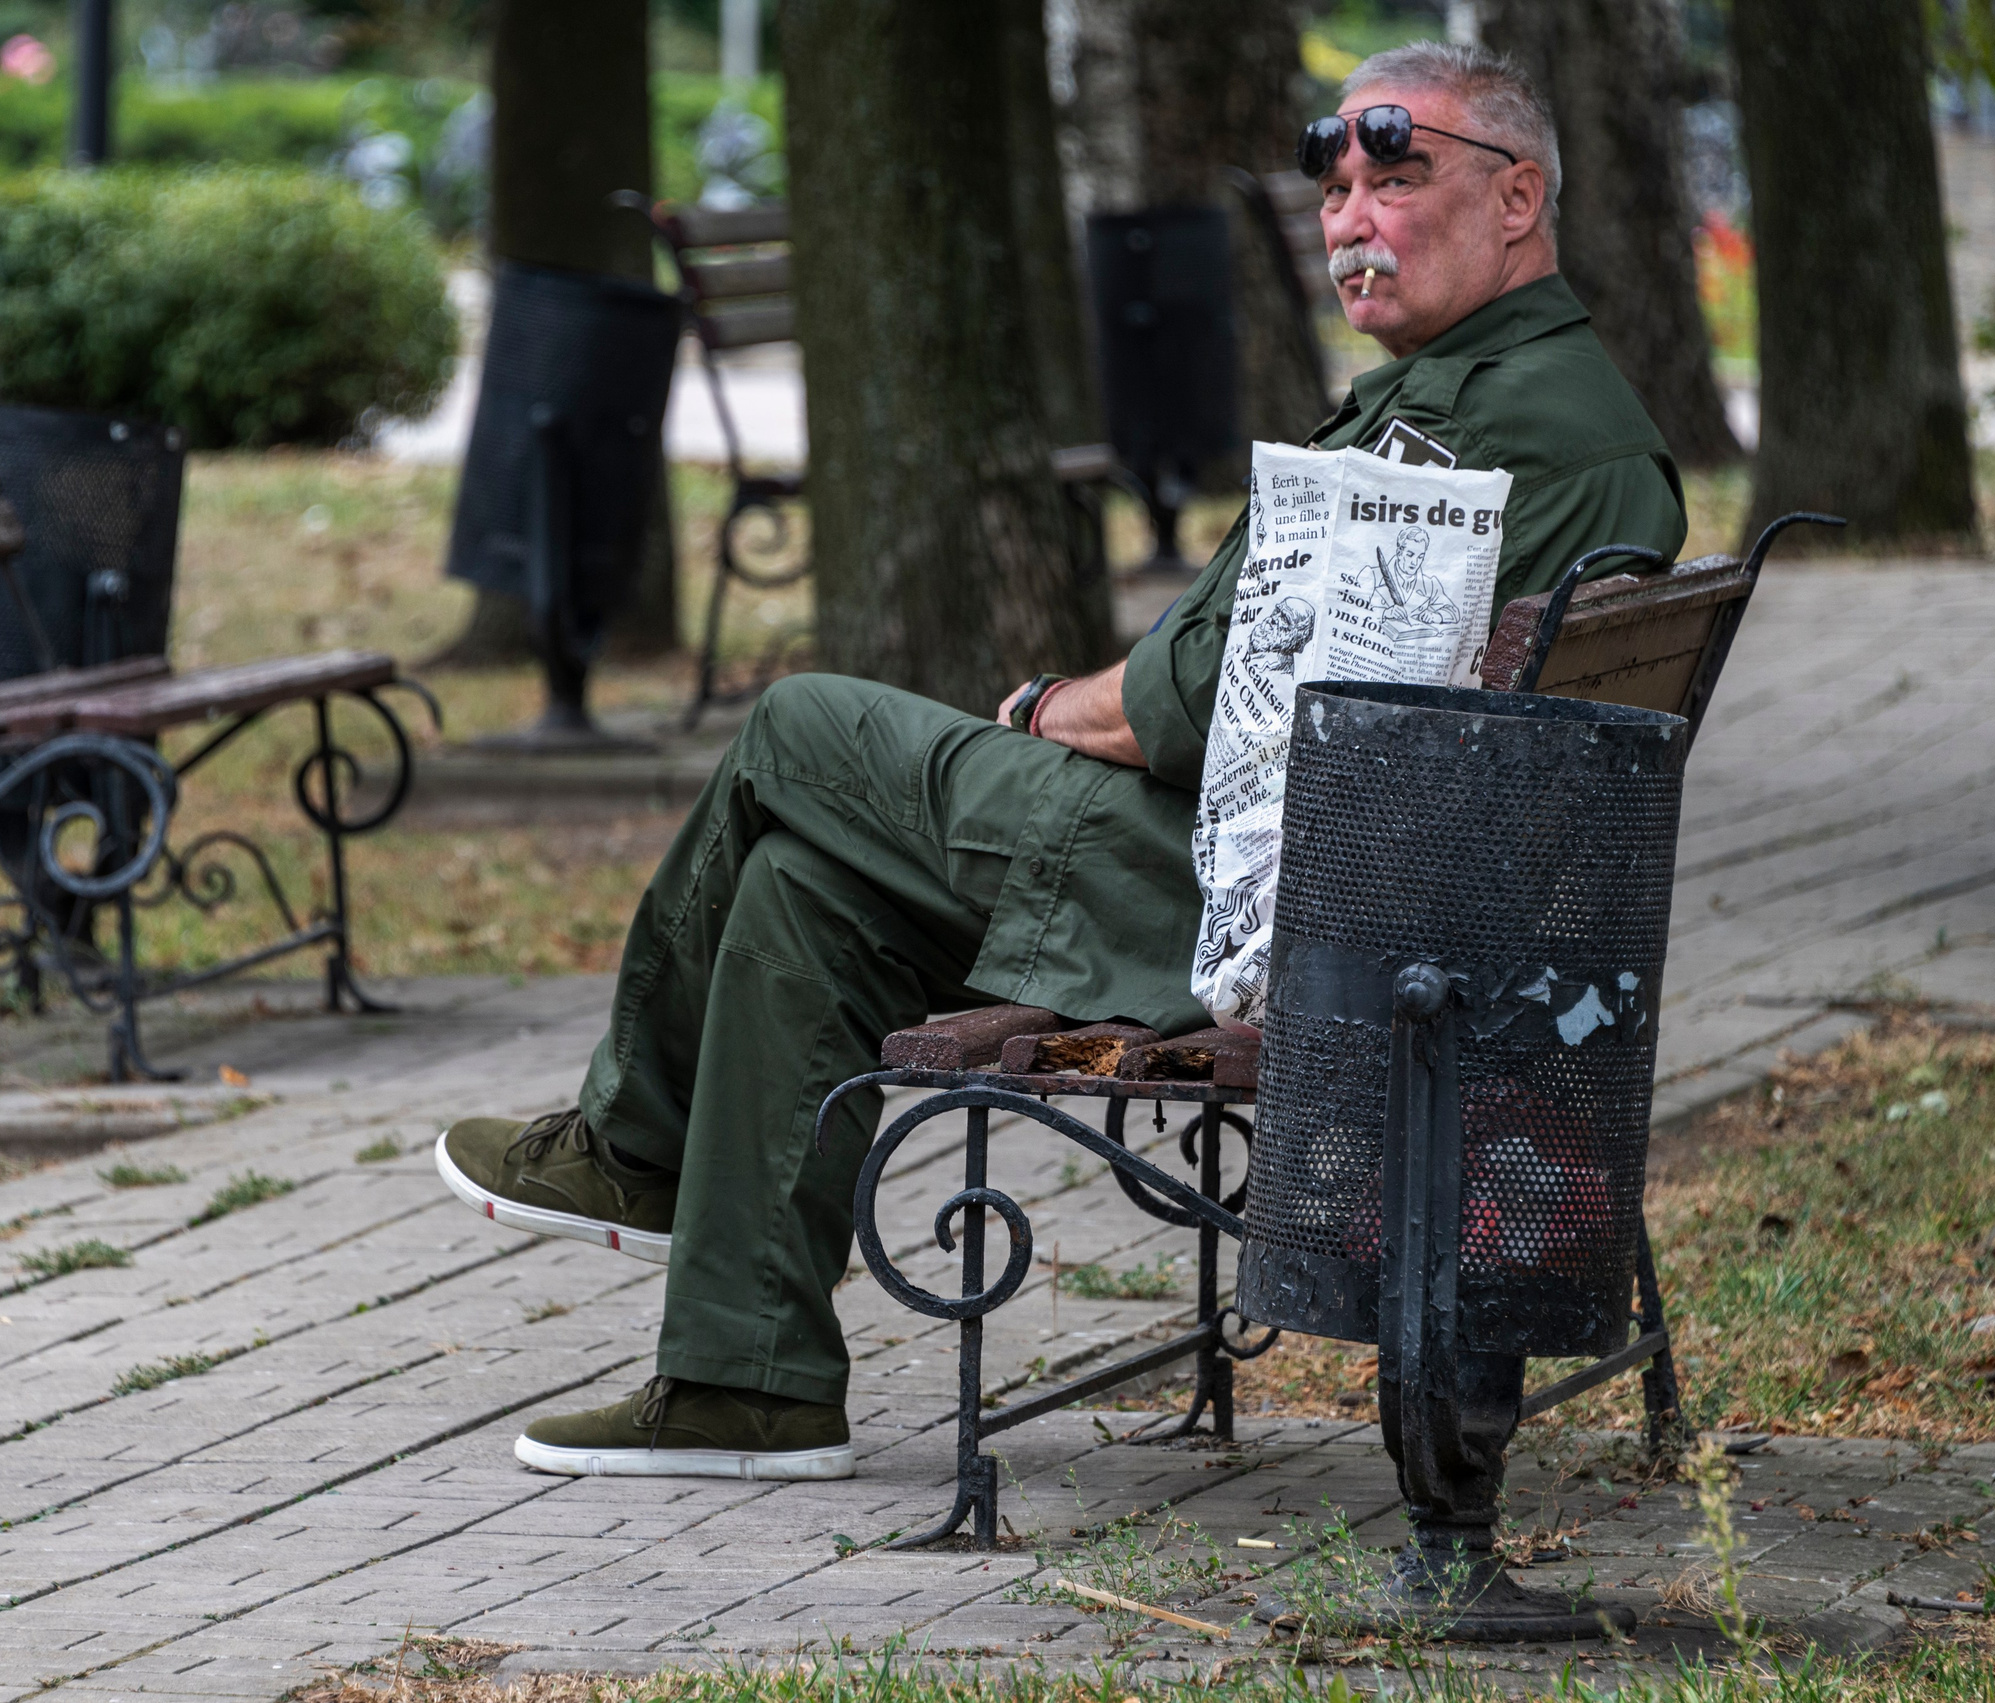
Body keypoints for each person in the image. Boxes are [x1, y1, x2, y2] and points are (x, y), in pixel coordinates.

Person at [431, 41, 1687, 1482]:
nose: (1350, 221)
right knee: (797, 890)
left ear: (1518, 197)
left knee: (798, 734)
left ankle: (631, 1147)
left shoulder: (1512, 423)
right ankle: (747, 1384)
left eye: (1396, 181)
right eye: (1337, 190)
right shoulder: (1489, 398)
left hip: (1291, 924)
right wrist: (1112, 705)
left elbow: (1214, 710)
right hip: (1319, 888)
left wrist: (1054, 711)